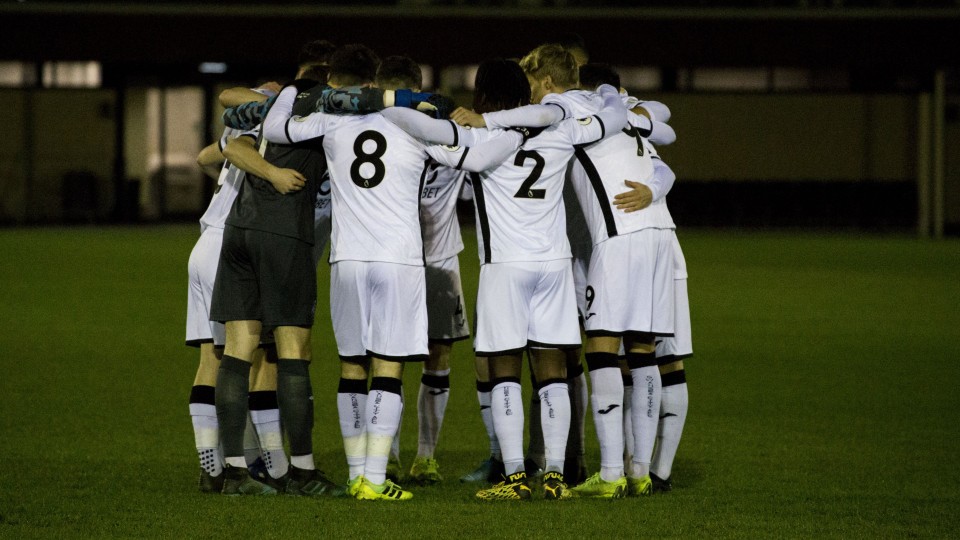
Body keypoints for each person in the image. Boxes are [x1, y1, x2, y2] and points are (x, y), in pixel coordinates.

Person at [262, 46, 523, 501]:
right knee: (389, 366)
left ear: (372, 86)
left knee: (352, 367)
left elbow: (275, 128)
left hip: (347, 260)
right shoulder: (416, 124)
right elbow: (475, 158)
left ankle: (356, 474)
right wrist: (513, 129)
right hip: (398, 260)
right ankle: (376, 479)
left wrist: (290, 92)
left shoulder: (334, 121)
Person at [379, 57, 628, 501]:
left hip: (505, 266)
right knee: (552, 370)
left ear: (483, 94)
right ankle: (555, 475)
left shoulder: (480, 137)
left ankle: (514, 477)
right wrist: (611, 95)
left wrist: (392, 106)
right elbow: (610, 121)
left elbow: (425, 134)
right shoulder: (560, 130)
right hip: (554, 264)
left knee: (504, 369)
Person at [208, 53, 341, 496]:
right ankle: (302, 472)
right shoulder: (329, 117)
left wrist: (268, 170)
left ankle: (233, 472)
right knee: (293, 351)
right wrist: (279, 176)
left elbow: (232, 144)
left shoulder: (272, 112)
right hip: (284, 234)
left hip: (239, 229)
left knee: (238, 349)